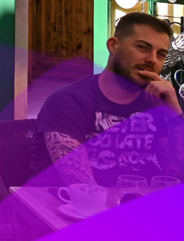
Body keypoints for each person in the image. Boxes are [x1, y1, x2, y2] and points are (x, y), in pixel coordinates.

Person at [30, 12, 184, 187]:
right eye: (142, 47)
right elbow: (82, 188)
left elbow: (176, 174)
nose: (152, 60)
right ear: (113, 45)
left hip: (134, 201)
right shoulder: (68, 102)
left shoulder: (155, 103)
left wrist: (175, 115)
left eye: (161, 54)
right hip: (62, 206)